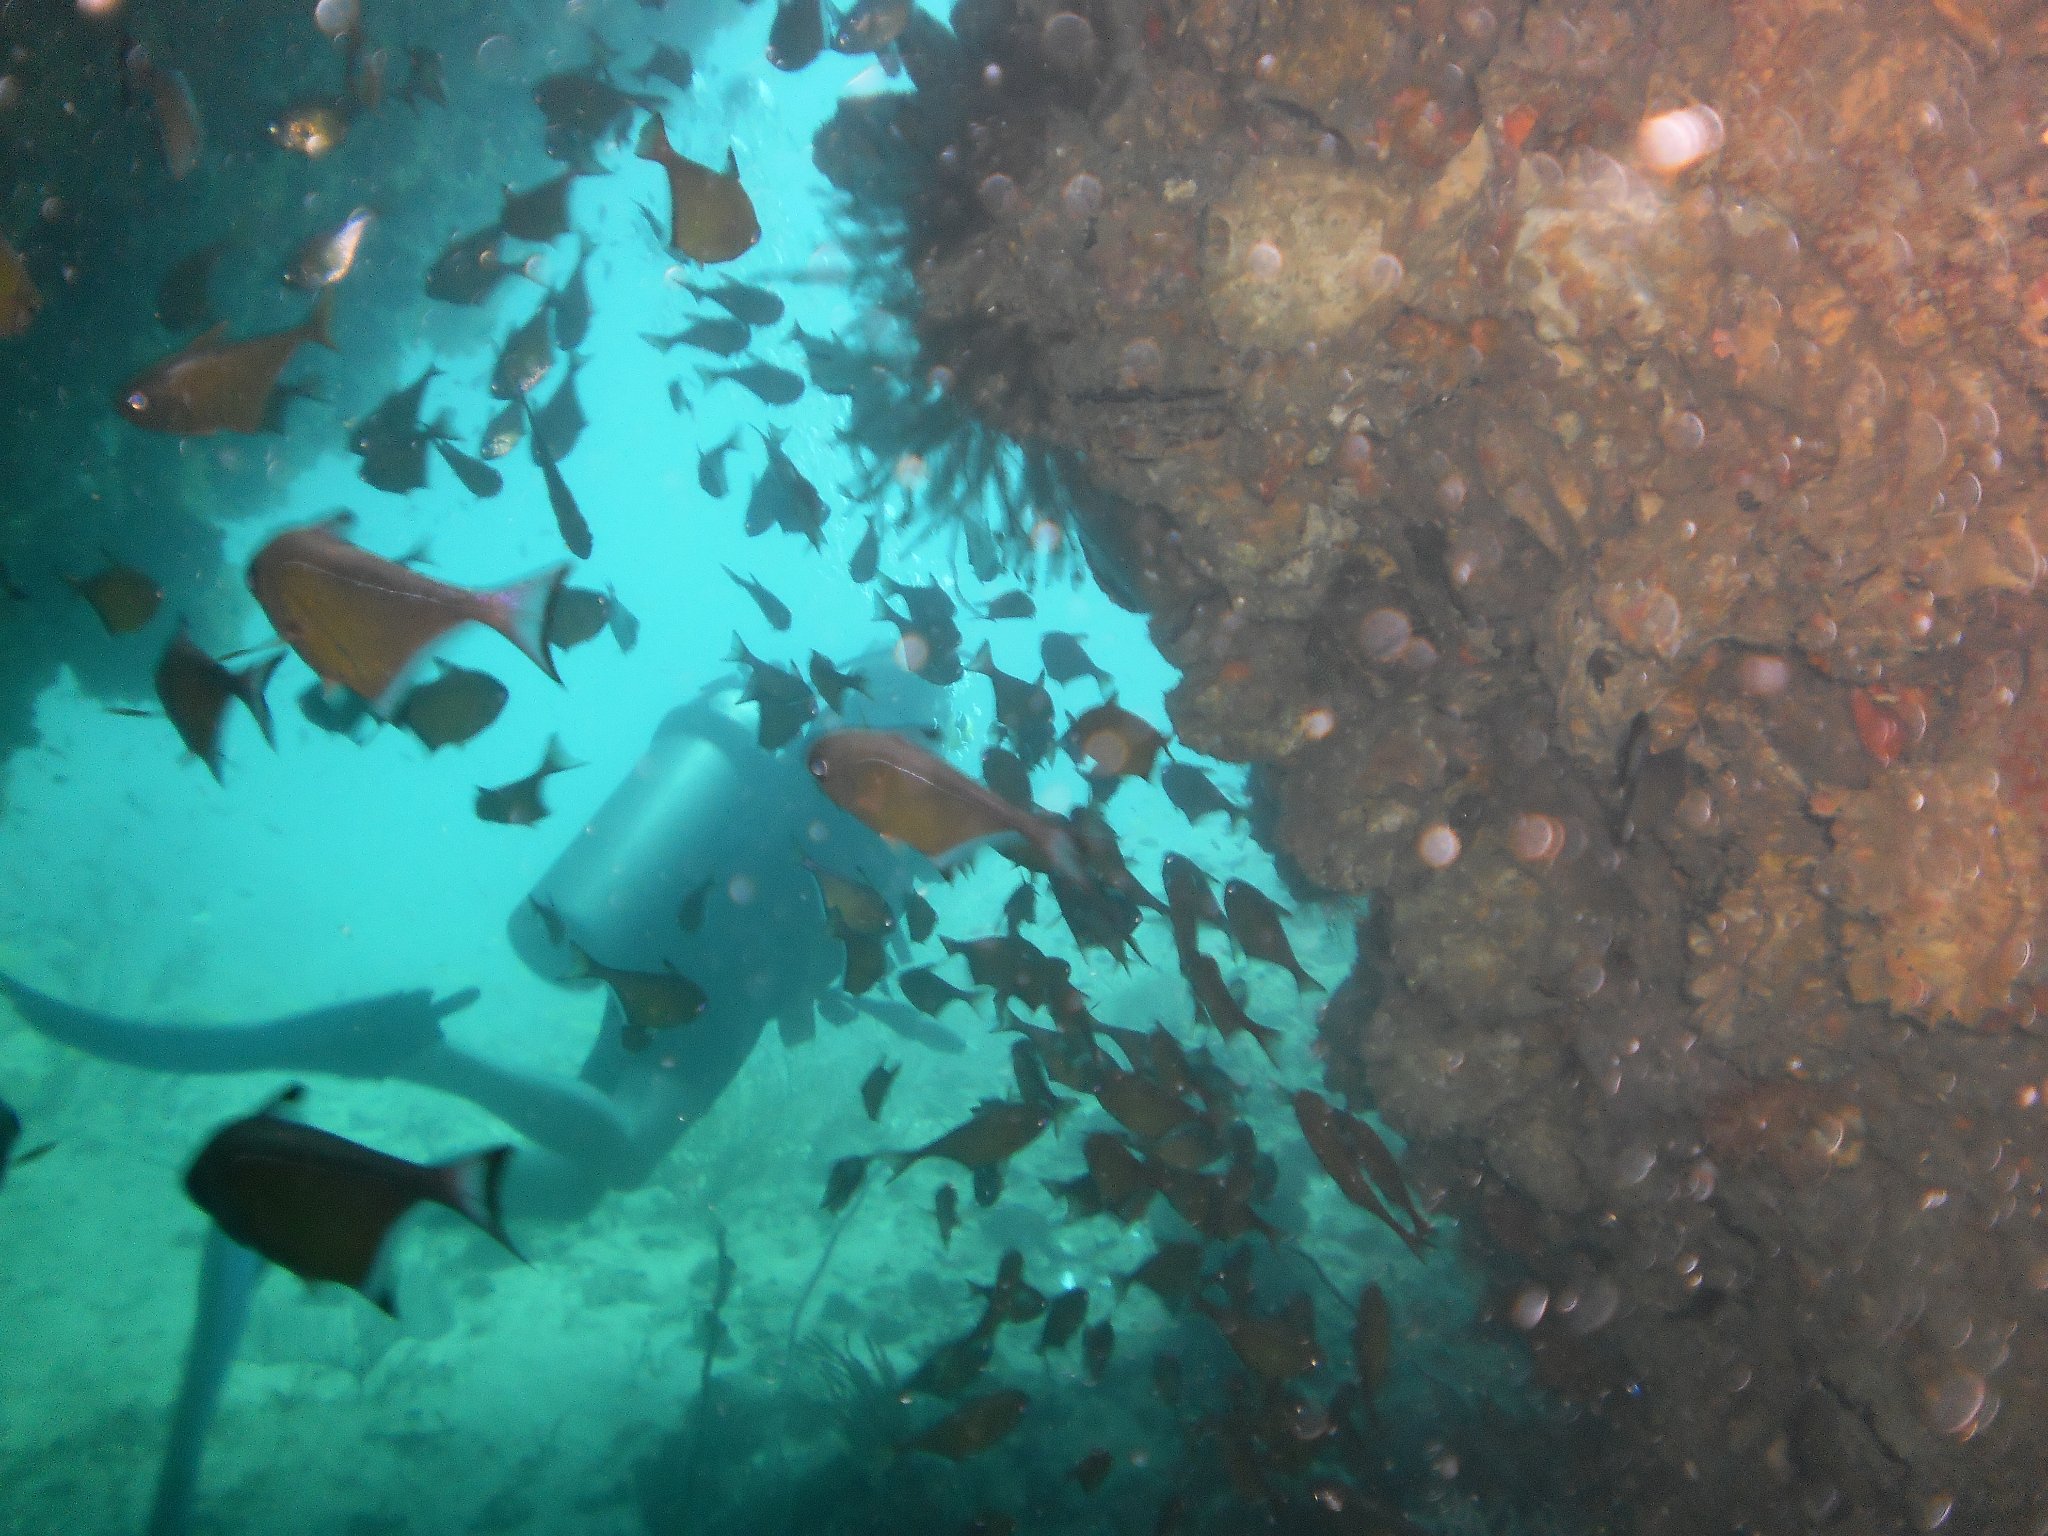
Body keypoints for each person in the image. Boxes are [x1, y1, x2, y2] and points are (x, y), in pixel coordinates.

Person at [0, 647, 944, 1534]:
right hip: (725, 977)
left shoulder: (796, 734)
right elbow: (858, 914)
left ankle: (326, 1192)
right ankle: (424, 1055)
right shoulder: (889, 775)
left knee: (571, 1185)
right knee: (621, 1151)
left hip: (667, 936)